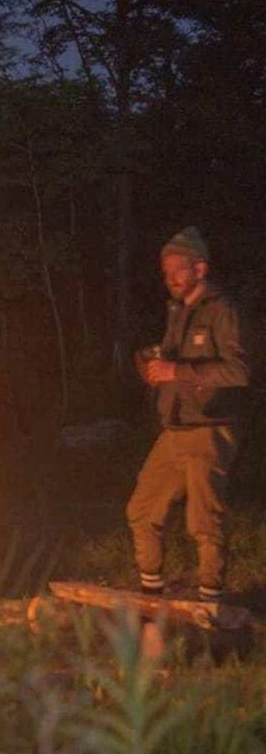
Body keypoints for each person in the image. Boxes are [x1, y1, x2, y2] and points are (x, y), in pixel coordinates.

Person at [127, 227, 250, 603]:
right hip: (175, 429)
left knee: (203, 521)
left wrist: (177, 372)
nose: (171, 279)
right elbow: (172, 366)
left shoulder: (222, 311)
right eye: (166, 273)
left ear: (200, 268)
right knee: (142, 510)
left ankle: (210, 605)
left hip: (210, 429)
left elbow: (238, 372)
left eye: (178, 270)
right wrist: (153, 369)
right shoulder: (177, 312)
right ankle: (152, 596)